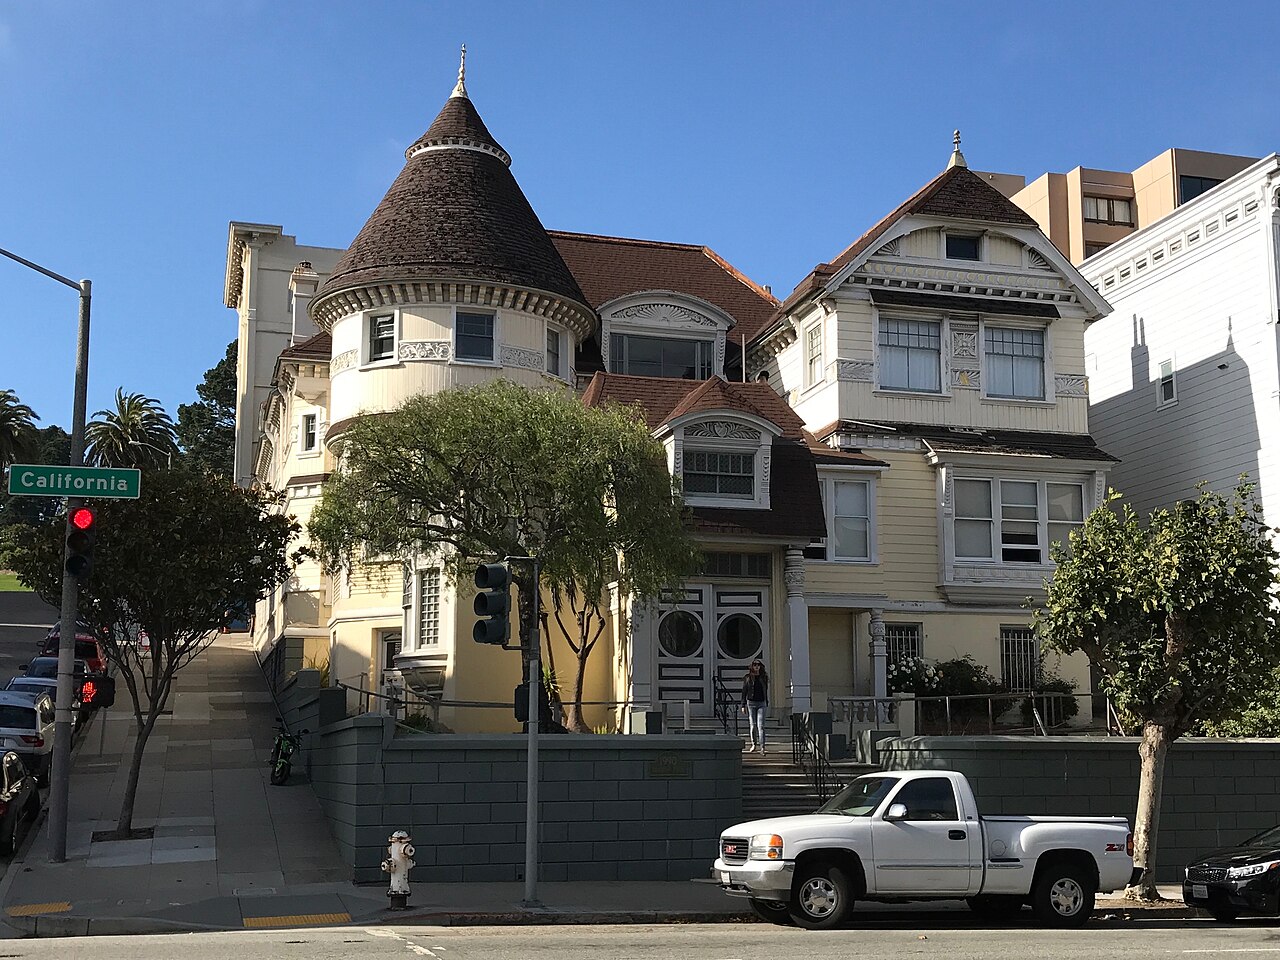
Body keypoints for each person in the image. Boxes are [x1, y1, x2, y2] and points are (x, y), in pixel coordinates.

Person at [741, 659, 769, 752]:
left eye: (758, 665)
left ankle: (762, 746)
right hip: (751, 703)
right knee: (753, 725)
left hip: (761, 703)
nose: (756, 666)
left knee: (761, 726)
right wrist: (743, 705)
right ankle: (754, 744)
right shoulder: (748, 677)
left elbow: (765, 690)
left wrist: (766, 701)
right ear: (752, 666)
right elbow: (744, 691)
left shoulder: (763, 677)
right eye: (755, 665)